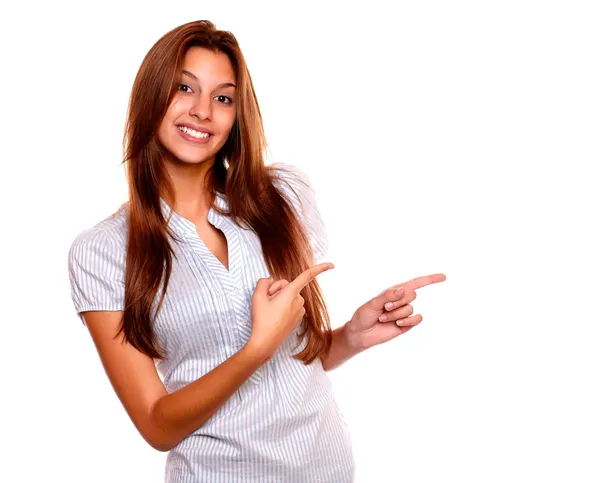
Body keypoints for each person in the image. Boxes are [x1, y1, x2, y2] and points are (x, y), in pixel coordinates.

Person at [67, 20, 446, 482]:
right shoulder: (103, 251)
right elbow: (155, 424)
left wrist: (349, 337)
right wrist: (255, 349)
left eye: (222, 98)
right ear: (152, 96)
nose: (203, 111)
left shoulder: (282, 196)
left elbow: (295, 360)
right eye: (185, 88)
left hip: (327, 469)